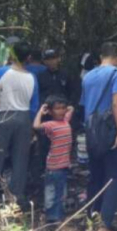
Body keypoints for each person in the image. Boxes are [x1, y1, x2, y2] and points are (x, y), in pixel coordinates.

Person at [0, 41, 40, 210]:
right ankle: (16, 198)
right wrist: (30, 128)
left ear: (10, 54)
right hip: (23, 119)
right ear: (28, 58)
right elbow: (34, 106)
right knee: (20, 158)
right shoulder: (32, 77)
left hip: (2, 116)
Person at [80, 42, 117, 231]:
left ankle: (91, 218)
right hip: (108, 131)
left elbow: (85, 105)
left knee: (96, 176)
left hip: (91, 131)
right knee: (114, 177)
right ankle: (105, 226)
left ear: (101, 57)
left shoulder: (88, 76)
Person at [32, 95, 74, 224]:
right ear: (50, 111)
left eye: (62, 108)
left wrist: (66, 107)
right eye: (57, 108)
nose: (61, 111)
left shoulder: (65, 121)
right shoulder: (50, 125)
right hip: (53, 166)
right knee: (52, 193)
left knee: (61, 193)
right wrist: (41, 110)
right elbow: (36, 126)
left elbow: (71, 108)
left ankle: (57, 217)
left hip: (63, 165)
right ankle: (52, 218)